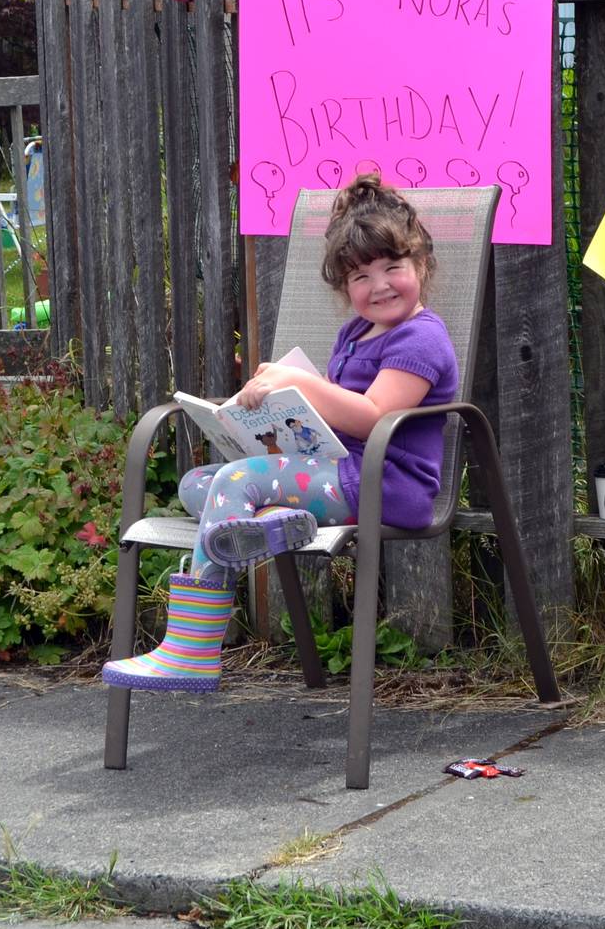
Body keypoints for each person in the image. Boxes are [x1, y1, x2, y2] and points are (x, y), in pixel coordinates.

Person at [104, 173, 459, 692]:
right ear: (344, 288)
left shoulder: (422, 339)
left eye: (393, 267)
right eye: (360, 277)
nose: (379, 285)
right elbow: (335, 420)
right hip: (343, 469)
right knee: (198, 483)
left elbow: (372, 416)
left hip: (387, 483)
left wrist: (299, 383)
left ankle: (193, 649)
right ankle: (279, 523)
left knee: (236, 484)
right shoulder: (356, 332)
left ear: (421, 265)